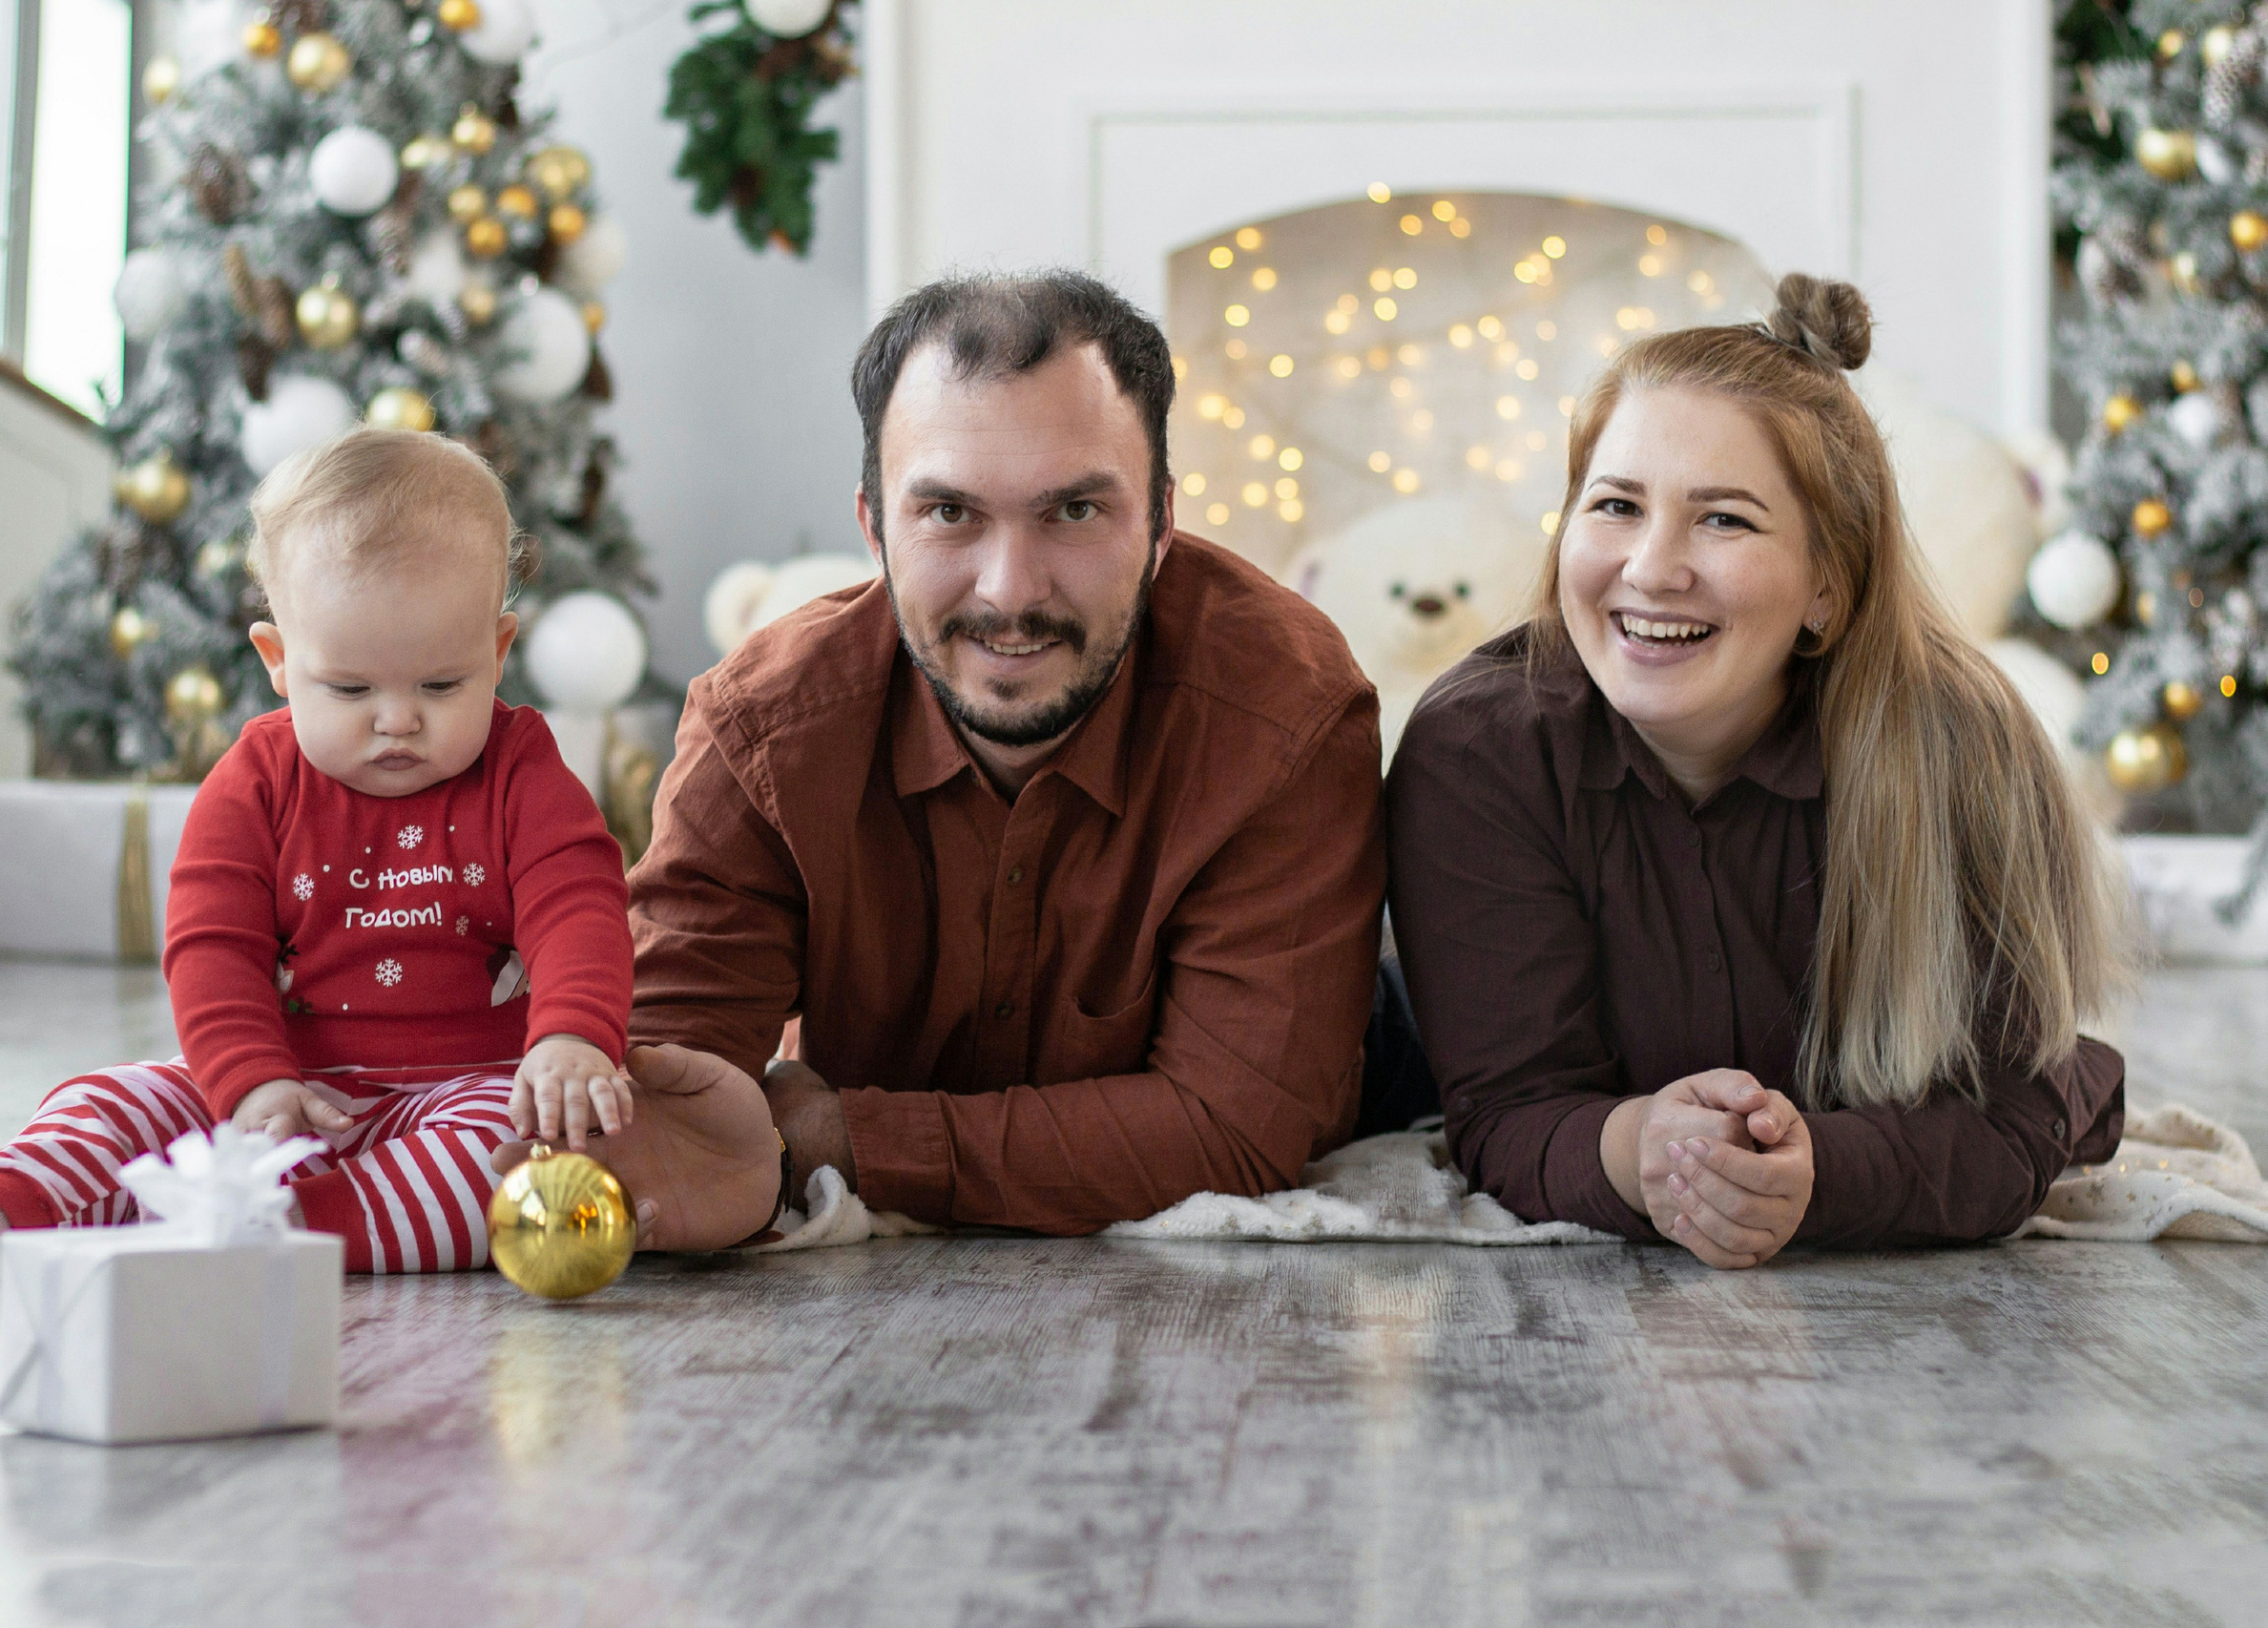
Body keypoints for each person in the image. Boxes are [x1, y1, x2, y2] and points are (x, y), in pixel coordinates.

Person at [554, 270, 1385, 1236]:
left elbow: (1233, 1130)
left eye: (1073, 511)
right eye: (949, 512)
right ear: (875, 528)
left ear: (1161, 527)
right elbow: (662, 1099)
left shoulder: (1285, 712)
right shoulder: (764, 731)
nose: (1008, 588)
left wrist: (835, 1136)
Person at [1381, 273, 2133, 1267]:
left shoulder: (1962, 749)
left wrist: (1813, 1168)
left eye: (1723, 519)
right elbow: (1509, 1110)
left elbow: (2003, 1125)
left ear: (1828, 583)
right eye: (1615, 505)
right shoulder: (1478, 750)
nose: (1651, 567)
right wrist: (1643, 1150)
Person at [0, 428, 684, 1278]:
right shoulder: (256, 781)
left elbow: (578, 910)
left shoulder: (520, 769)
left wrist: (570, 1040)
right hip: (285, 1090)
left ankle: (279, 1226)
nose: (397, 719)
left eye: (441, 685)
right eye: (349, 689)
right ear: (278, 662)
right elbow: (212, 947)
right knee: (117, 1098)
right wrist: (248, 1084)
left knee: (511, 1163)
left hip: (465, 1089)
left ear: (496, 654)